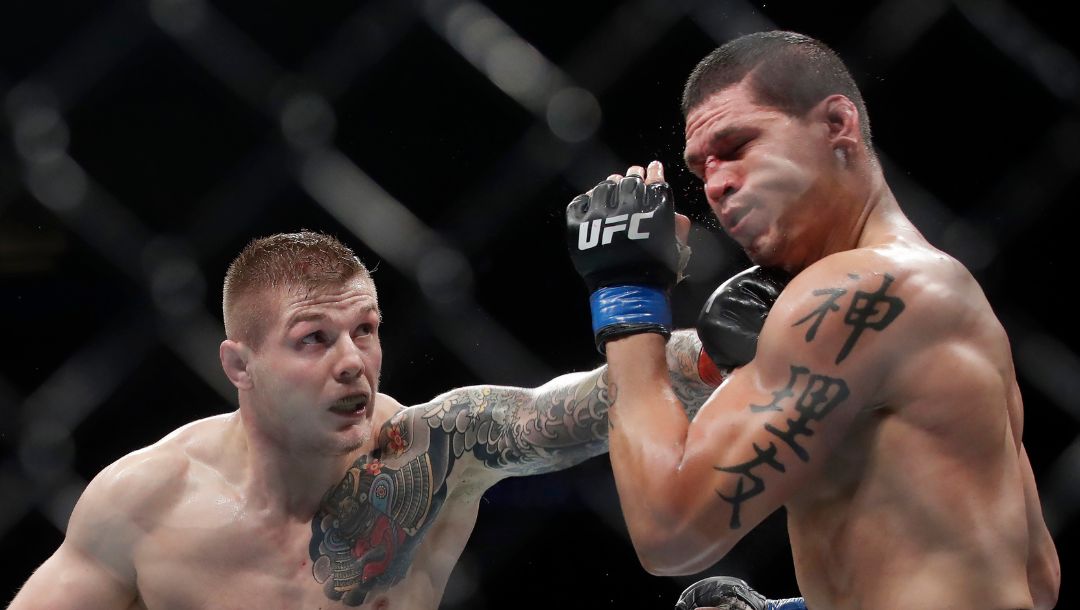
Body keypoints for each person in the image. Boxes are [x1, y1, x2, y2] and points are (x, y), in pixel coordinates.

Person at [7, 229, 763, 610]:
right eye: (314, 339)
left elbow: (570, 409)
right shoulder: (144, 500)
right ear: (239, 366)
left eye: (365, 330)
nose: (352, 362)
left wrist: (719, 352)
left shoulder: (435, 447)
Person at [565, 31, 1060, 609]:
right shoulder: (944, 290)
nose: (717, 184)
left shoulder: (860, 289)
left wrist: (627, 298)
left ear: (836, 125)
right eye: (702, 169)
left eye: (738, 144)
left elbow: (669, 532)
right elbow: (1037, 576)